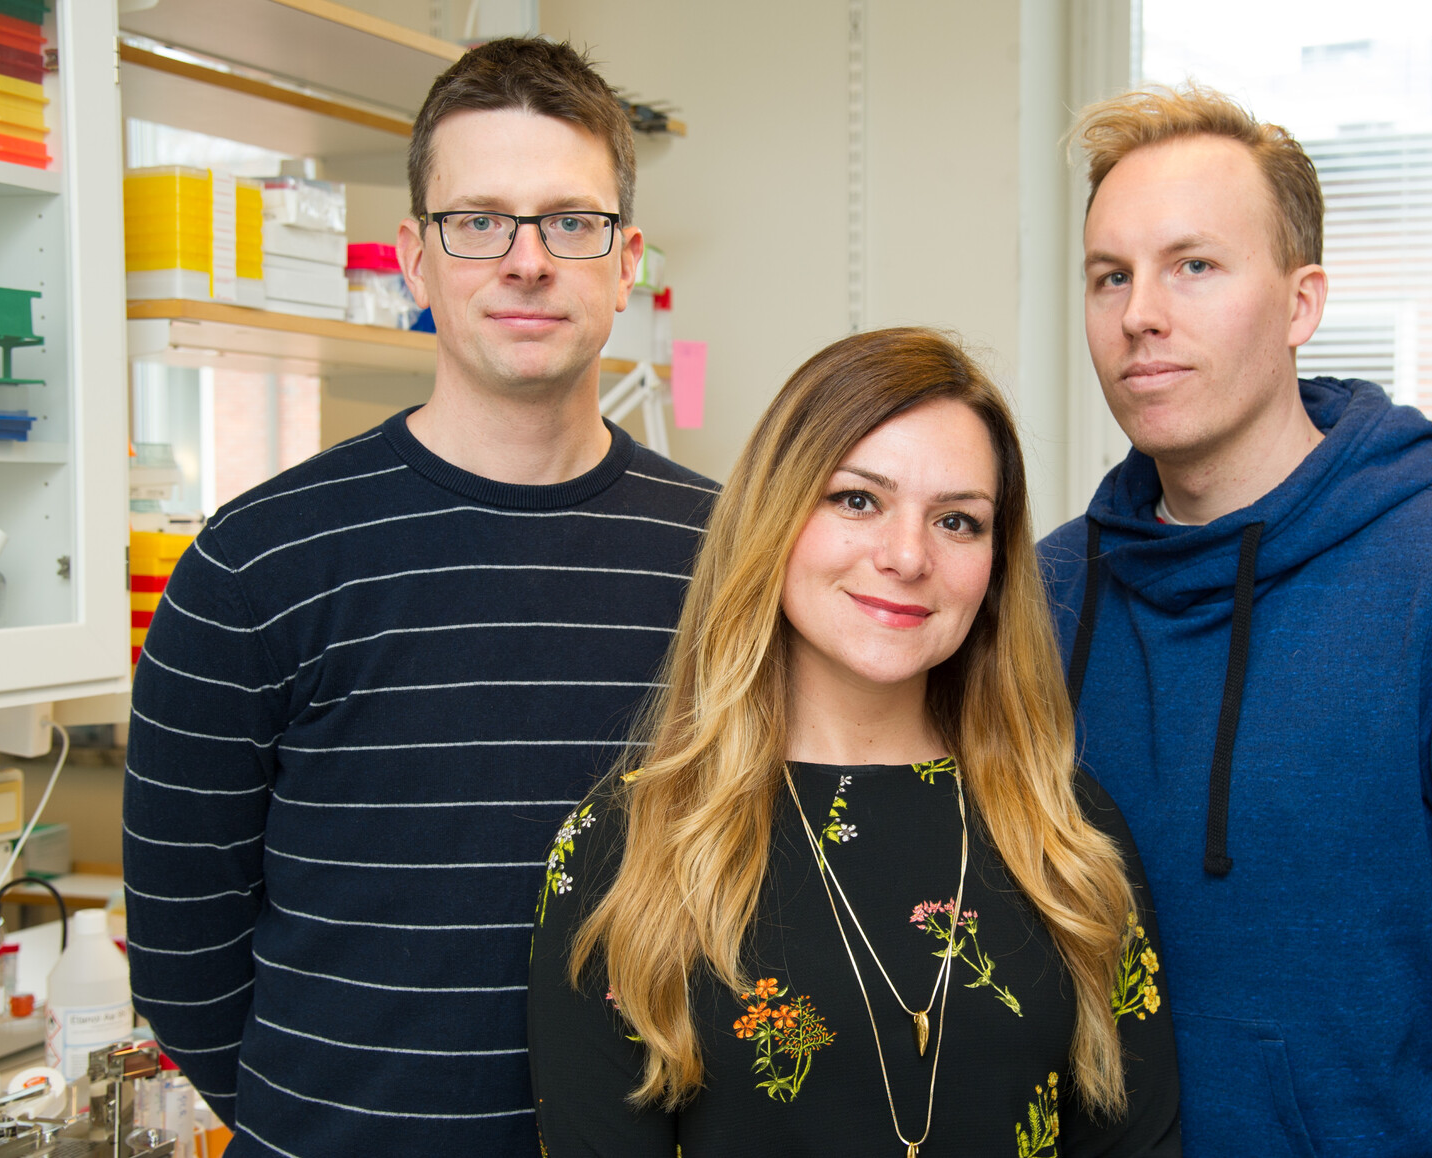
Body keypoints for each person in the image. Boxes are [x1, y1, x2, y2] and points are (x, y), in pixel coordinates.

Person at [122, 39, 715, 1156]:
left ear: (626, 259)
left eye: (570, 222)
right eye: (479, 220)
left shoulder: (724, 554)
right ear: (415, 256)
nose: (527, 260)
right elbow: (181, 955)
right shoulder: (254, 562)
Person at [1038, 85, 1432, 1157]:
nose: (1140, 311)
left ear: (1300, 302)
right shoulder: (1043, 595)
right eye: (1110, 276)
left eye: (1194, 265)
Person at [530, 327, 1180, 1157]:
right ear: (775, 516)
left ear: (994, 567)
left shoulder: (1068, 833)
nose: (908, 557)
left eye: (957, 521)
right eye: (858, 500)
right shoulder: (625, 845)